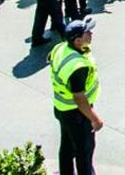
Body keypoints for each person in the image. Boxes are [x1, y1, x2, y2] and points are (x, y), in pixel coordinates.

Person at [49, 18, 102, 175]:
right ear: (78, 41)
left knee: (67, 146)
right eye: (87, 32)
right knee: (84, 150)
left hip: (62, 109)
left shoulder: (61, 48)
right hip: (77, 113)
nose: (91, 33)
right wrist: (94, 119)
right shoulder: (77, 66)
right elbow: (79, 97)